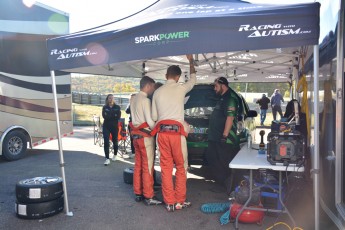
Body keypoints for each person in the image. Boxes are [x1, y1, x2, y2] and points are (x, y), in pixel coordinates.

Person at [151, 54, 196, 212]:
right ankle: (179, 201)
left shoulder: (157, 93)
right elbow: (193, 80)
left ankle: (169, 202)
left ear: (166, 76)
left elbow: (154, 117)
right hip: (177, 135)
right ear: (177, 77)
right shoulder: (181, 87)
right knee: (181, 168)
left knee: (166, 168)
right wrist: (191, 62)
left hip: (162, 135)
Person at [130, 76, 162, 205]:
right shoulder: (145, 100)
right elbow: (149, 121)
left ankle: (138, 193)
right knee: (147, 166)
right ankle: (149, 196)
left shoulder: (133, 99)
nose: (153, 90)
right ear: (148, 86)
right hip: (145, 137)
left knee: (138, 165)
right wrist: (158, 127)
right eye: (153, 87)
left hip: (135, 136)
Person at [205, 76, 240, 195]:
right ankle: (221, 185)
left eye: (216, 86)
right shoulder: (222, 98)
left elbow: (230, 118)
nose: (214, 89)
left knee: (224, 163)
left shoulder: (230, 98)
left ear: (223, 85)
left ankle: (230, 189)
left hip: (225, 139)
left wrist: (224, 136)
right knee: (214, 160)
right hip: (215, 138)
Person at [102, 94, 121, 166]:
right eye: (109, 98)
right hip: (106, 126)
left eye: (112, 98)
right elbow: (104, 116)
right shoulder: (105, 107)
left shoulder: (117, 107)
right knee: (106, 141)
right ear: (107, 99)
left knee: (115, 141)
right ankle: (107, 158)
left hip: (114, 126)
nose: (111, 99)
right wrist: (113, 115)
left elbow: (118, 116)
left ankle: (115, 154)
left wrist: (109, 115)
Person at [125, 93, 136, 158]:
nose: (132, 99)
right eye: (131, 98)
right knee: (132, 138)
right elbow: (127, 111)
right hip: (131, 123)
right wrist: (131, 104)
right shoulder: (130, 105)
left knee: (137, 138)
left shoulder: (139, 104)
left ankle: (138, 152)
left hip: (137, 123)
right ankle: (133, 152)